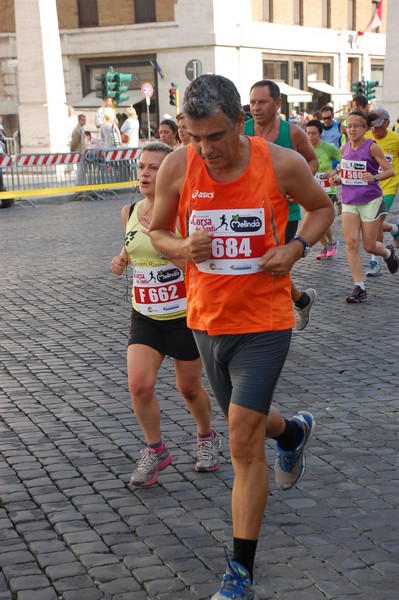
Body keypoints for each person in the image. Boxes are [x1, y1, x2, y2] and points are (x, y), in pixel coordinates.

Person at [149, 74, 334, 600]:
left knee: (239, 440)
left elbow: (323, 208)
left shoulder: (279, 162)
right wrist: (182, 248)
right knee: (245, 424)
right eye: (194, 137)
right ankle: (293, 433)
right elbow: (158, 231)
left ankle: (240, 572)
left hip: (265, 322)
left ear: (240, 122)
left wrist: (295, 248)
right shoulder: (181, 164)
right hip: (207, 319)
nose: (204, 149)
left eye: (215, 136)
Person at [110, 141, 220, 488]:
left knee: (188, 388)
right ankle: (155, 449)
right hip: (144, 313)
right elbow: (131, 249)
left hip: (184, 314)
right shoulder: (129, 211)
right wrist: (121, 260)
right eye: (142, 167)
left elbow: (199, 265)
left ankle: (206, 437)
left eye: (154, 168)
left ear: (170, 173)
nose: (145, 173)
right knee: (138, 384)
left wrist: (167, 244)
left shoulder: (184, 213)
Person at [244, 79, 320, 331]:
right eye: (253, 102)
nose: (256, 107)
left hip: (285, 213)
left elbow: (312, 162)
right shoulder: (241, 130)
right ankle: (301, 300)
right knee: (262, 266)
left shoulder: (293, 133)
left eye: (262, 102)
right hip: (247, 212)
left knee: (270, 265)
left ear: (277, 103)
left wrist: (297, 187)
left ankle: (269, 326)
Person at [330, 111, 397, 303]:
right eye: (348, 126)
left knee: (369, 246)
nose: (351, 129)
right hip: (349, 201)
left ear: (365, 128)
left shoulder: (372, 147)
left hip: (370, 200)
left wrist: (374, 177)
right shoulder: (344, 149)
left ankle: (387, 252)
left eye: (356, 126)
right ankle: (359, 287)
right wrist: (338, 178)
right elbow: (345, 172)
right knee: (351, 244)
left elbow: (389, 170)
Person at [364, 109, 399, 274]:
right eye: (371, 126)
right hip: (369, 188)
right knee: (371, 222)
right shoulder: (366, 139)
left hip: (389, 187)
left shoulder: (396, 139)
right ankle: (394, 229)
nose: (374, 129)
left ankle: (375, 262)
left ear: (387, 123)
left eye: (378, 126)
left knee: (375, 222)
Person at [305, 119, 342, 259]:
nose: (311, 136)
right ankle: (326, 246)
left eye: (314, 133)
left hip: (328, 189)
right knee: (314, 219)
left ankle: (332, 241)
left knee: (319, 219)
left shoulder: (328, 147)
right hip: (311, 189)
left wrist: (334, 172)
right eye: (308, 133)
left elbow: (344, 160)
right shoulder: (304, 149)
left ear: (320, 133)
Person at [70, 114, 86, 185]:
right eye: (83, 120)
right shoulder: (77, 130)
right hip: (78, 151)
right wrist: (72, 150)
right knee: (80, 169)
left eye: (85, 120)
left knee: (82, 169)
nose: (84, 121)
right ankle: (78, 185)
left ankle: (81, 184)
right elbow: (74, 142)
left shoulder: (82, 129)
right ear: (79, 120)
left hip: (82, 151)